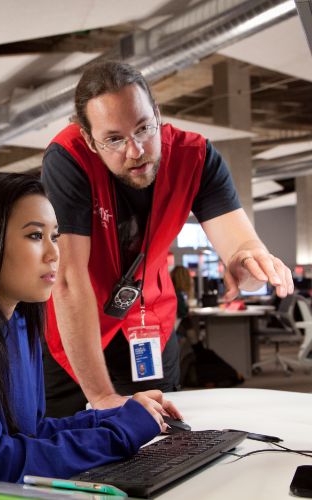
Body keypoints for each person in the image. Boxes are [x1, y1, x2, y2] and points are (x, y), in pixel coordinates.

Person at [41, 60, 294, 418]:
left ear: (157, 114)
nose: (136, 151)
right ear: (88, 138)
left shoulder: (197, 157)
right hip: (77, 329)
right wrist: (100, 396)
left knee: (164, 440)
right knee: (71, 444)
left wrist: (248, 264)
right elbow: (68, 278)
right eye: (114, 139)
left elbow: (242, 246)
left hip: (148, 323)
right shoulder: (69, 159)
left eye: (144, 128)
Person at [0, 172, 180, 482]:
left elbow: (31, 433)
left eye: (55, 236)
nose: (55, 254)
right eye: (35, 236)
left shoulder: (20, 323)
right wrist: (121, 433)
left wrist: (116, 416)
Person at [170, 265, 199, 346]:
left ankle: (196, 345)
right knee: (187, 324)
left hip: (170, 330)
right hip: (172, 331)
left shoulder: (171, 291)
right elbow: (183, 311)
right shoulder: (177, 294)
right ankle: (197, 345)